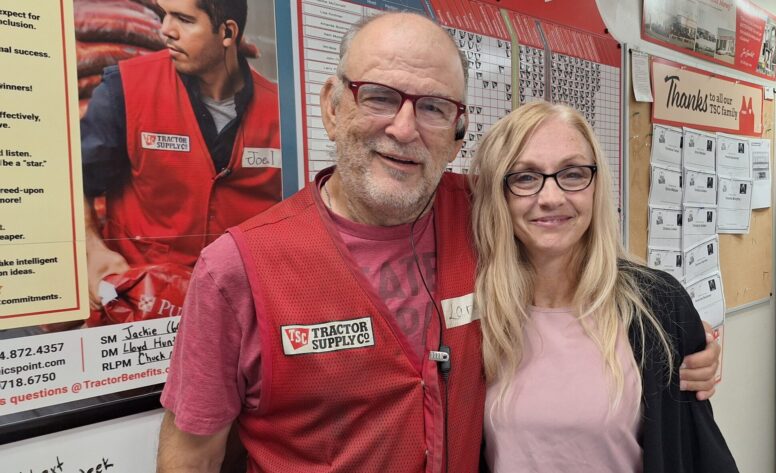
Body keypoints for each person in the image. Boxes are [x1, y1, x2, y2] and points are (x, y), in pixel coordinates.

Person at [157, 12, 721, 472]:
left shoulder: (487, 210)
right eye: (378, 96)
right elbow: (193, 455)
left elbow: (572, 245)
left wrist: (684, 337)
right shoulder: (237, 268)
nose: (404, 129)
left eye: (432, 107)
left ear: (457, 133)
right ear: (332, 105)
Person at [471, 102, 737, 472]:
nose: (551, 197)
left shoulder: (657, 306)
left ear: (597, 186)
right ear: (498, 194)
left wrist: (695, 341)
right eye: (525, 178)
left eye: (574, 174)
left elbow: (697, 452)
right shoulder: (471, 311)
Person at [80, 0, 281, 310]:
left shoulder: (281, 112)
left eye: (184, 20)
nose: (165, 30)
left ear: (227, 33)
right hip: (142, 306)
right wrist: (92, 249)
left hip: (240, 308)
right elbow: (77, 184)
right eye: (164, 16)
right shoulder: (126, 88)